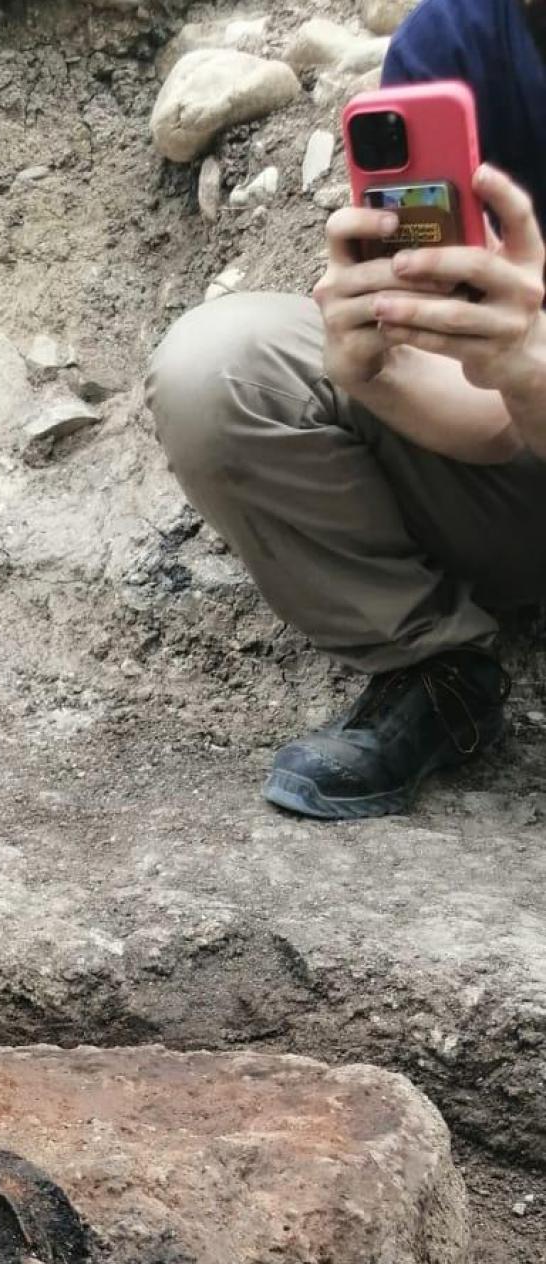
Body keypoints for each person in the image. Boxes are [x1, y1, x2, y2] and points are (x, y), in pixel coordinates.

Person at [148, 0, 546, 819]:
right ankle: (439, 671)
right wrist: (379, 372)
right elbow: (487, 422)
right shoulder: (462, 39)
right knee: (220, 370)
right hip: (520, 492)